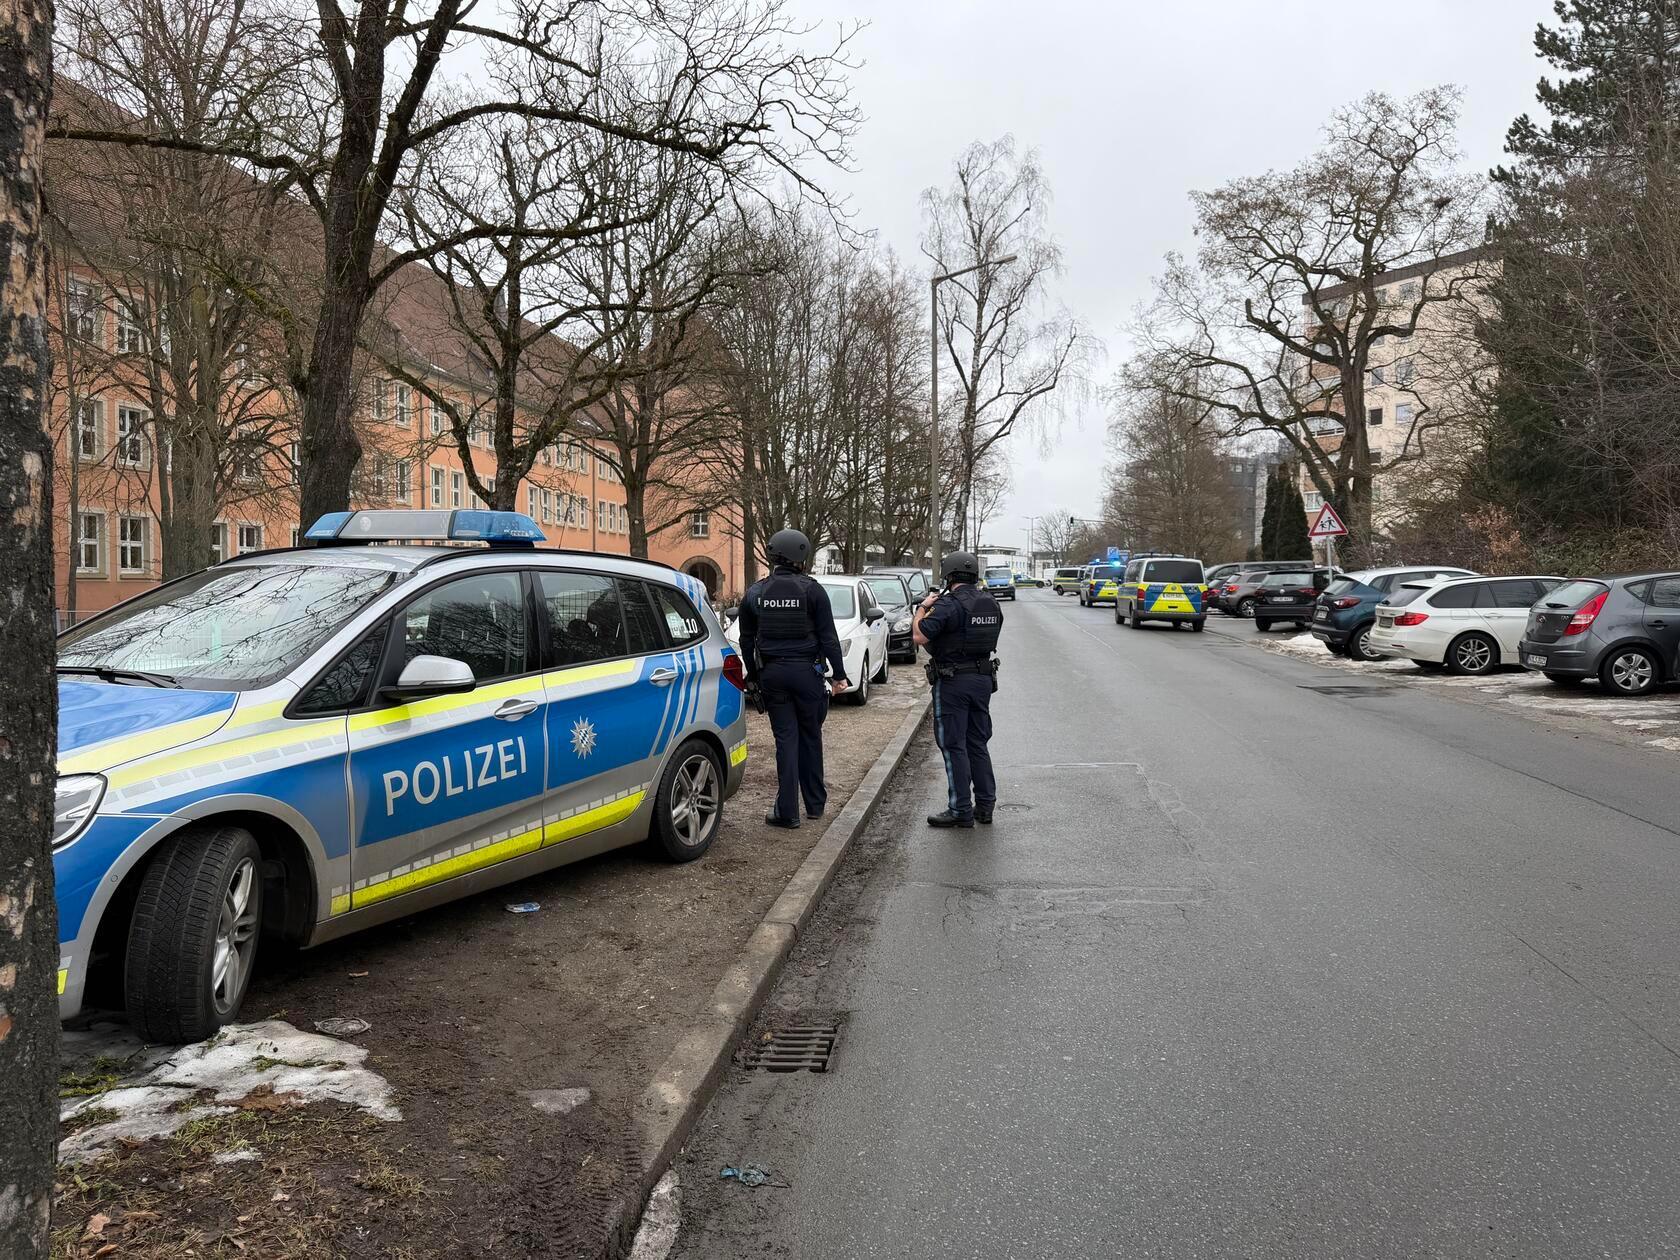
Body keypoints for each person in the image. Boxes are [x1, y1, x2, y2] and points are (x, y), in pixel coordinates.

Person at [737, 529, 850, 829]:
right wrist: (839, 675)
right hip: (807, 674)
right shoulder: (812, 590)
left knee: (786, 741)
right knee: (810, 736)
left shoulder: (755, 592)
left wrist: (754, 674)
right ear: (802, 557)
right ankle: (814, 805)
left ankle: (787, 812)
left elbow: (746, 639)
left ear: (773, 556)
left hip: (773, 675)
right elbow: (829, 637)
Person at [913, 550, 1003, 828]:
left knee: (954, 746)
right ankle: (985, 806)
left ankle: (960, 809)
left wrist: (922, 607)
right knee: (977, 743)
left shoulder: (948, 605)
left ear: (949, 575)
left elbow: (919, 635)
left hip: (953, 682)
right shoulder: (991, 602)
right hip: (982, 680)